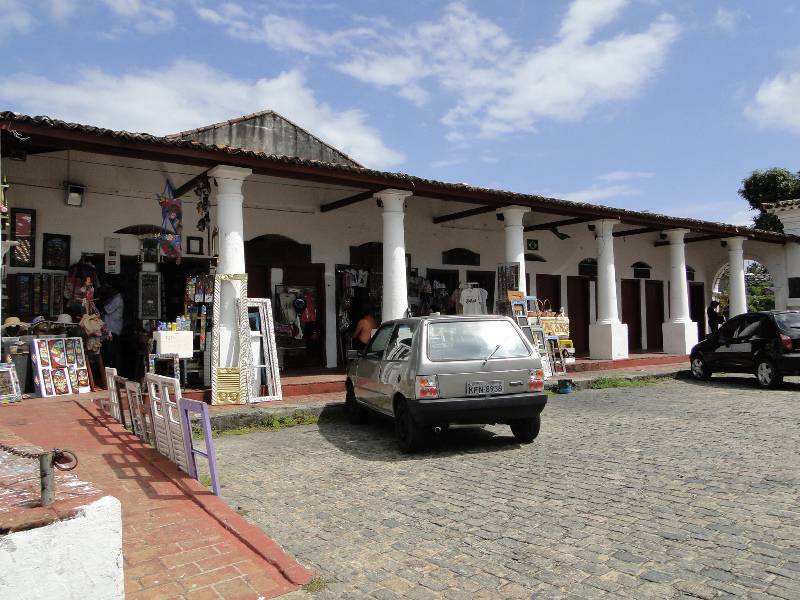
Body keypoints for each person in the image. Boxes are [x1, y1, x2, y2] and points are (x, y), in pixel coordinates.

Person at [99, 286, 124, 368]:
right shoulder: (113, 298)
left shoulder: (117, 299)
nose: (108, 290)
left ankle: (112, 371)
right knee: (109, 351)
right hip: (110, 328)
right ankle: (110, 370)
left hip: (113, 329)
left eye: (109, 288)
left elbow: (106, 309)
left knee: (111, 352)